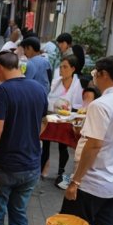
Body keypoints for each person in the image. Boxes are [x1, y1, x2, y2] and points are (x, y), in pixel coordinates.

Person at [61, 57, 113, 225]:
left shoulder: (101, 104)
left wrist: (75, 182)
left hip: (92, 182)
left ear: (104, 74)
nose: (94, 78)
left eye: (95, 74)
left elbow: (95, 145)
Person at [0, 51, 49, 225]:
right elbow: (44, 122)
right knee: (19, 214)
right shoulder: (38, 88)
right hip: (31, 164)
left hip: (4, 166)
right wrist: (27, 135)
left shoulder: (0, 91)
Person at [43, 55, 85, 188]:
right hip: (53, 116)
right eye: (61, 67)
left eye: (65, 67)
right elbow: (49, 99)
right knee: (45, 143)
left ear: (73, 69)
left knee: (63, 146)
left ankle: (60, 172)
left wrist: (66, 108)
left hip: (67, 119)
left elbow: (78, 105)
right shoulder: (56, 82)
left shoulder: (77, 85)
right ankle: (41, 169)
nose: (62, 69)